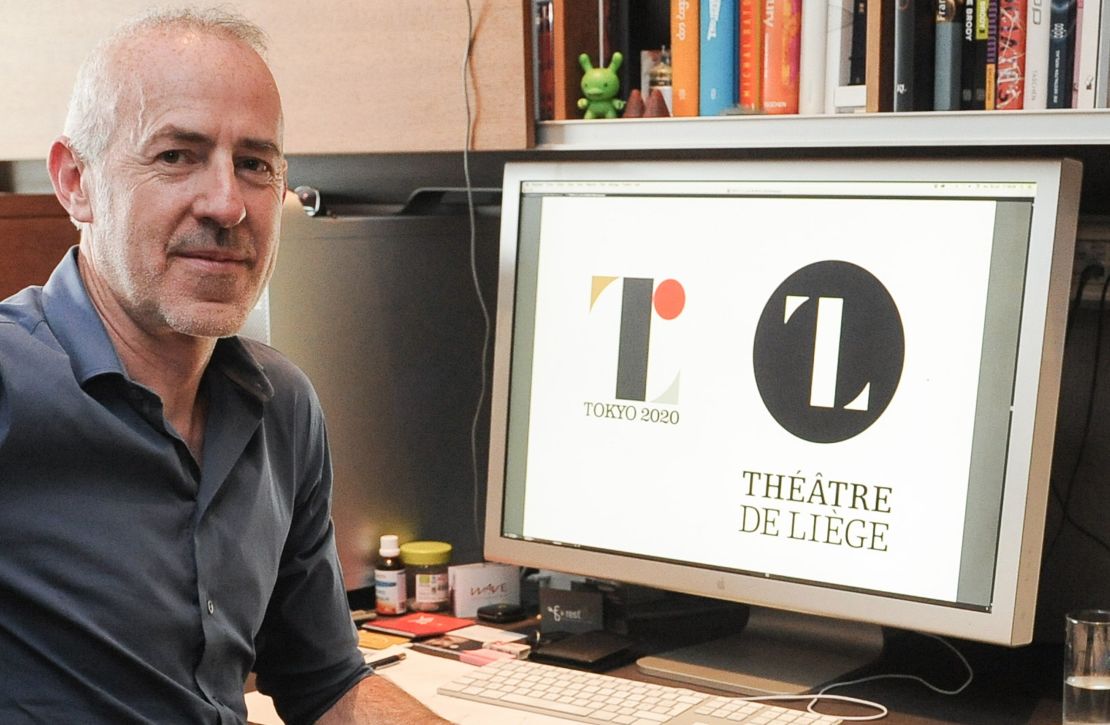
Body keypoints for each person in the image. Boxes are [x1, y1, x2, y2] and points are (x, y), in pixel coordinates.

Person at [0, 7, 449, 724]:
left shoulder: (282, 407)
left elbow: (326, 683)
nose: (227, 203)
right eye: (177, 155)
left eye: (254, 164)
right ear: (75, 180)